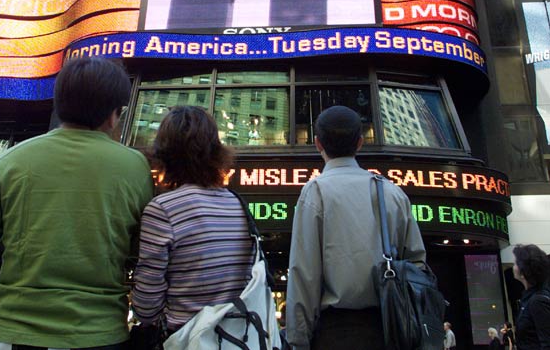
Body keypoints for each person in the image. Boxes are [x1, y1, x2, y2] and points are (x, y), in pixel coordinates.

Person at [0, 57, 155, 350]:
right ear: (113, 115)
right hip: (100, 335)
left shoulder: (9, 162)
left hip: (10, 333)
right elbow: (142, 254)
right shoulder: (135, 168)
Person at [286, 106, 426, 350]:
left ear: (317, 143)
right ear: (360, 143)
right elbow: (418, 265)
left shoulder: (315, 192)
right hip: (393, 329)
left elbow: (304, 274)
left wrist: (298, 340)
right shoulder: (392, 192)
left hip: (336, 333)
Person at [132, 106, 254, 334]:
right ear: (216, 150)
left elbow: (146, 308)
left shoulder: (162, 210)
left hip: (186, 338)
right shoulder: (238, 205)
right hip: (238, 338)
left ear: (164, 152)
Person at [512, 244, 550, 350]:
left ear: (524, 272)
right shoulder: (529, 298)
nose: (513, 266)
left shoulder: (537, 301)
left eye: (515, 263)